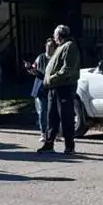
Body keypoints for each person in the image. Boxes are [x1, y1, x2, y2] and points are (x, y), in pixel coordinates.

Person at [37, 25, 80, 154]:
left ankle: (69, 146)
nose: (54, 38)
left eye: (55, 35)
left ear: (59, 35)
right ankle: (49, 144)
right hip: (54, 88)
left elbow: (68, 69)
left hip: (64, 87)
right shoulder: (61, 47)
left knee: (66, 117)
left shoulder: (70, 46)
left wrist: (52, 78)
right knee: (52, 117)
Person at [25, 38, 55, 142]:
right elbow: (34, 70)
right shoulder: (40, 57)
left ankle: (54, 133)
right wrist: (29, 68)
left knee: (53, 112)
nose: (49, 48)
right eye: (48, 45)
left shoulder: (56, 58)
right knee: (43, 111)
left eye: (51, 46)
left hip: (53, 87)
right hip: (42, 88)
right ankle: (43, 133)